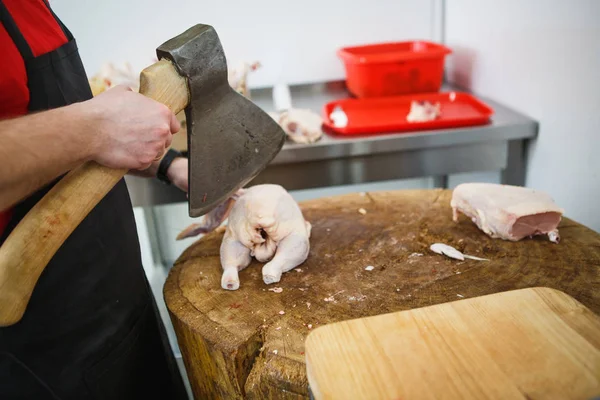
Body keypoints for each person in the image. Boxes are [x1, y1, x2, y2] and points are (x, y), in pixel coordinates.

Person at [0, 1, 190, 398]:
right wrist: (98, 128)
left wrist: (164, 162)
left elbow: (44, 125)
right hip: (39, 354)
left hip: (119, 314)